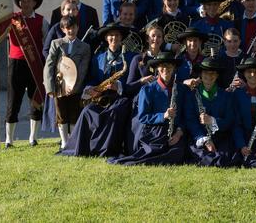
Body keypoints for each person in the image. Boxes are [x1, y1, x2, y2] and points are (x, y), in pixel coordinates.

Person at [61, 24, 138, 157]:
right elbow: (92, 79)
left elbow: (133, 81)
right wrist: (90, 89)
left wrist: (118, 86)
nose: (114, 38)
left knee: (115, 111)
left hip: (122, 98)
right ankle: (81, 147)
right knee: (87, 111)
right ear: (107, 38)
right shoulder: (98, 58)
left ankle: (105, 149)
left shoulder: (131, 58)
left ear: (121, 38)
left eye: (117, 35)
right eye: (111, 35)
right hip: (101, 97)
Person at [108, 51, 187, 166]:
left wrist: (179, 132)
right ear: (157, 69)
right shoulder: (147, 89)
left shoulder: (181, 89)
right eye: (162, 66)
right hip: (155, 131)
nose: (166, 69)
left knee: (178, 153)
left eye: (169, 66)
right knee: (155, 152)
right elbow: (143, 117)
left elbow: (185, 115)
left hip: (174, 130)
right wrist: (163, 116)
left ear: (174, 68)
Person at [5, 0, 48, 148]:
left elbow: (47, 41)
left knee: (35, 100)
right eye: (22, 1)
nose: (25, 4)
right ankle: (9, 139)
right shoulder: (12, 19)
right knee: (13, 101)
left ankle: (33, 138)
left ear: (34, 3)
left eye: (28, 1)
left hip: (35, 64)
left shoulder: (42, 20)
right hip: (16, 64)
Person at [43, 15, 90, 150]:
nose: (71, 31)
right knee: (61, 114)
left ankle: (73, 141)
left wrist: (74, 86)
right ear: (63, 29)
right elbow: (49, 66)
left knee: (74, 113)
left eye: (73, 27)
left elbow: (83, 69)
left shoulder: (85, 47)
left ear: (78, 28)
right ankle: (64, 141)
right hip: (59, 86)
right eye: (68, 28)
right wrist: (50, 87)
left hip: (76, 87)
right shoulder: (56, 44)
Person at [184, 57, 236, 167]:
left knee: (224, 157)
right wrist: (205, 140)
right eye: (206, 73)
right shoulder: (192, 95)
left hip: (220, 136)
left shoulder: (226, 96)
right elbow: (190, 120)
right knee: (201, 155)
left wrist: (212, 120)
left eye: (213, 73)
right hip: (199, 136)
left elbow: (229, 120)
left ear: (217, 76)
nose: (209, 76)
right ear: (201, 75)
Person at [126, 24, 164, 97]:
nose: (156, 39)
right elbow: (128, 88)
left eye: (159, 36)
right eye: (153, 36)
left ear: (162, 40)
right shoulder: (138, 59)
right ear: (147, 39)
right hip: (142, 99)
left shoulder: (166, 59)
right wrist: (141, 81)